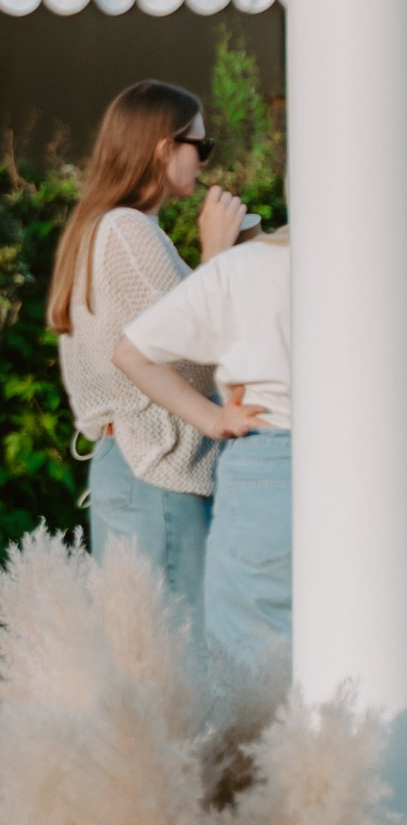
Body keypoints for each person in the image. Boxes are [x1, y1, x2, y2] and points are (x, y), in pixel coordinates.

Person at [48, 80, 244, 613]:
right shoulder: (127, 230)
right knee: (176, 662)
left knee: (146, 663)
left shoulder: (105, 227)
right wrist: (218, 258)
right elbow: (192, 349)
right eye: (200, 146)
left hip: (136, 463)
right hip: (156, 465)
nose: (205, 161)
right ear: (164, 148)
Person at [114, 227, 292, 670]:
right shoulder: (383, 254)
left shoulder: (245, 265)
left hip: (266, 460)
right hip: (375, 467)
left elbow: (132, 353)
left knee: (251, 670)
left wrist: (213, 419)